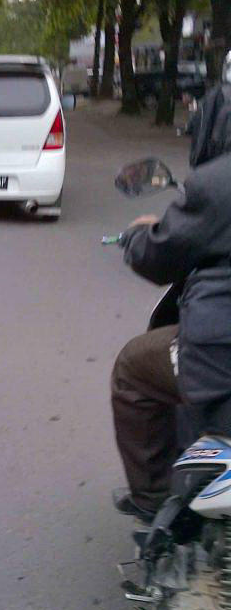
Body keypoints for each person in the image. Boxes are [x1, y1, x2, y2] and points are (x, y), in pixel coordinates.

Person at [111, 109, 231, 519]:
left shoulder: (218, 183)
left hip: (220, 360)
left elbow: (159, 258)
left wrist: (139, 235)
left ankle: (155, 499)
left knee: (132, 367)